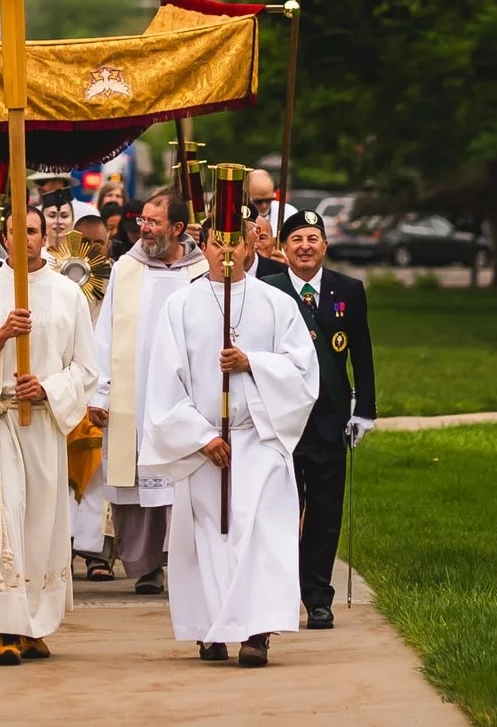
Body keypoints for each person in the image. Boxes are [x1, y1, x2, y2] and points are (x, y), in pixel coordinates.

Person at [140, 209, 318, 668]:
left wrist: (252, 364)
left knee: (259, 536)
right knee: (209, 538)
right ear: (206, 247)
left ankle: (256, 632)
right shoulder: (182, 305)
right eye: (216, 244)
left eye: (233, 243)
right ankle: (212, 627)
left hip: (257, 437)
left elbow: (303, 374)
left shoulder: (276, 304)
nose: (225, 253)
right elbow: (164, 381)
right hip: (204, 447)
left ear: (248, 245)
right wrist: (200, 437)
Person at [0, 203, 97, 664]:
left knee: (40, 523)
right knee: (1, 516)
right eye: (17, 231)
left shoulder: (68, 294)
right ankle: (5, 629)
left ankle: (35, 624)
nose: (27, 239)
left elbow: (86, 368)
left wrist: (48, 388)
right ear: (4, 238)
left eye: (33, 231)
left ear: (44, 236)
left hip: (43, 422)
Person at [86, 190, 211, 595]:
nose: (145, 229)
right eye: (143, 220)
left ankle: (187, 560)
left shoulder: (202, 270)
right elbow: (105, 333)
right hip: (134, 391)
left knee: (185, 471)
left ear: (178, 228)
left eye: (154, 223)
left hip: (186, 389)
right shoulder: (127, 268)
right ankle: (146, 566)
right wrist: (101, 393)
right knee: (135, 476)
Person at [258, 208, 378, 628]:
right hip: (281, 421)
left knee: (325, 514)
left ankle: (318, 597)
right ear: (283, 249)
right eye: (296, 240)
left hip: (329, 419)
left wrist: (365, 410)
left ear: (325, 245)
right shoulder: (266, 289)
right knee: (281, 510)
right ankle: (279, 593)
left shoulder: (349, 289)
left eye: (312, 239)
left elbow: (361, 352)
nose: (305, 247)